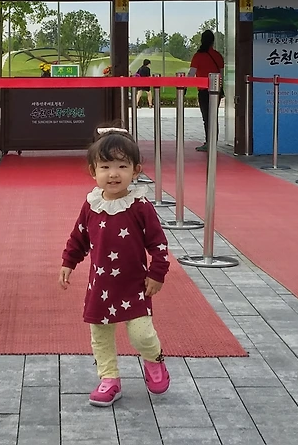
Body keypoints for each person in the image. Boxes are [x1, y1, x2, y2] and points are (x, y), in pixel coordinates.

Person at [59, 126, 171, 406]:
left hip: (135, 286)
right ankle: (109, 378)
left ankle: (154, 358)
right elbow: (79, 237)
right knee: (100, 336)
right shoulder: (92, 205)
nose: (113, 174)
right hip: (101, 286)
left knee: (142, 334)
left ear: (136, 171)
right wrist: (69, 262)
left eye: (122, 166)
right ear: (93, 171)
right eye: (105, 166)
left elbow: (158, 243)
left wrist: (157, 273)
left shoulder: (140, 206)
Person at [188, 30, 224, 152]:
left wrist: (185, 85)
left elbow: (191, 73)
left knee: (206, 117)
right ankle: (213, 141)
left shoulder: (198, 56)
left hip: (203, 91)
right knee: (213, 116)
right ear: (213, 41)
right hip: (216, 90)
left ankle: (209, 142)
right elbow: (221, 75)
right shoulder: (218, 56)